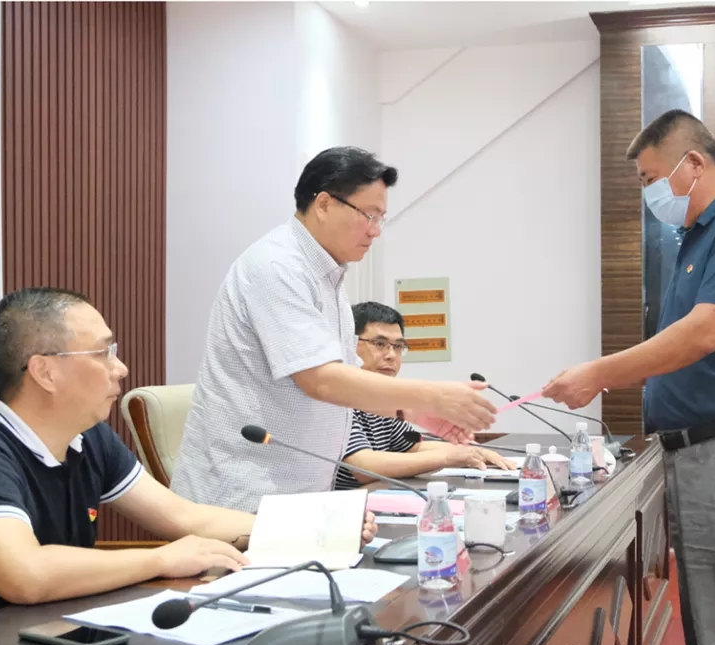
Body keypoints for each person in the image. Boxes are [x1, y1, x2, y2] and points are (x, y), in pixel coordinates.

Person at [0, 287, 376, 644]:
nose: (120, 368)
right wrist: (161, 559)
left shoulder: (88, 439)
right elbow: (26, 574)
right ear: (45, 371)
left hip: (43, 644)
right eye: (103, 353)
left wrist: (316, 530)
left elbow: (184, 516)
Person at [541, 110, 715, 645]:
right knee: (714, 639)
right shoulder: (696, 240)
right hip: (702, 456)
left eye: (651, 177)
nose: (649, 193)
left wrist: (597, 374)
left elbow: (700, 335)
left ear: (694, 164)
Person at [171, 146, 496, 512]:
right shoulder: (278, 267)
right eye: (369, 215)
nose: (375, 231)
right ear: (324, 204)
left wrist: (412, 412)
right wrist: (433, 396)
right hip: (242, 495)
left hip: (295, 495)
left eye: (381, 218)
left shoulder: (325, 276)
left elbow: (348, 378)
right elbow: (321, 380)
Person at [335, 302, 513, 489]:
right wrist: (448, 457)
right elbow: (364, 467)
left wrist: (474, 452)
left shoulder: (384, 397)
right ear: (350, 344)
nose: (391, 355)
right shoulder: (336, 396)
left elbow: (413, 447)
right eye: (380, 344)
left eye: (398, 346)